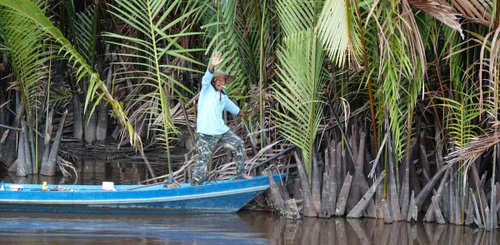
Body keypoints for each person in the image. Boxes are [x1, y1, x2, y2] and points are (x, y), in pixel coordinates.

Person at [192, 52, 251, 186]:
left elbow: (235, 109)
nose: (220, 82)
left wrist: (244, 113)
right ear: (213, 82)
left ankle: (240, 174)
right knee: (203, 160)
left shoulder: (223, 97)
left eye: (222, 80)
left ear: (224, 83)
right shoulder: (206, 90)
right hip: (207, 133)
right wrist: (212, 66)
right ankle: (196, 186)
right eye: (217, 80)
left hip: (222, 132)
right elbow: (205, 79)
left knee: (239, 144)